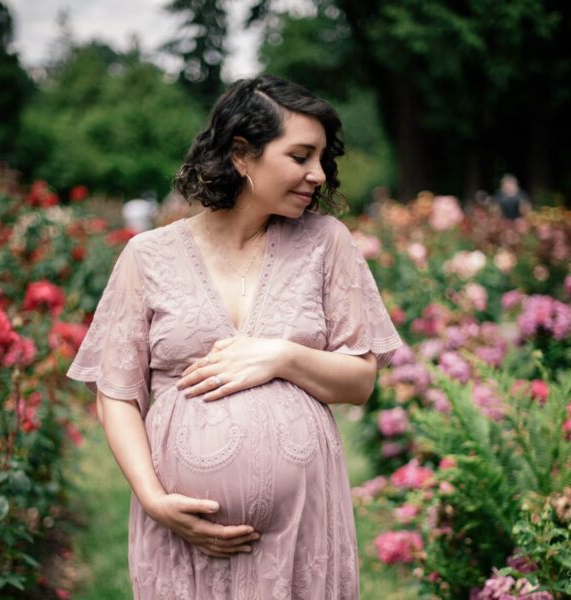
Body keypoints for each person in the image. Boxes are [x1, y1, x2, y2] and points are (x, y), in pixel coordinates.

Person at [67, 74, 402, 599]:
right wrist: (154, 500)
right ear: (242, 154)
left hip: (302, 535)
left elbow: (360, 380)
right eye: (300, 156)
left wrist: (281, 356)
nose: (317, 174)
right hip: (183, 540)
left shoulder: (326, 244)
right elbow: (115, 392)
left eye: (321, 158)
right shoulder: (148, 256)